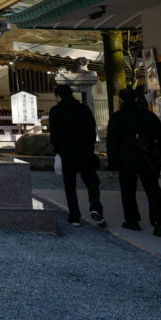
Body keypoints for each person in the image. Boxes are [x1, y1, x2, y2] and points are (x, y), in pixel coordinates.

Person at [106, 88, 161, 237]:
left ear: (120, 100)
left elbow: (112, 143)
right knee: (153, 191)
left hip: (125, 160)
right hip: (147, 159)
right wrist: (159, 157)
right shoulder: (148, 116)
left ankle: (132, 220)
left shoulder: (116, 118)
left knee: (128, 191)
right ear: (136, 99)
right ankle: (159, 223)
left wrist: (113, 164)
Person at [49, 84, 105, 227]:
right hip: (85, 151)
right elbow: (92, 130)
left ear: (58, 96)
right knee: (92, 182)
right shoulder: (84, 109)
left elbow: (54, 134)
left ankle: (74, 216)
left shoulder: (56, 110)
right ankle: (95, 207)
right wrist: (90, 146)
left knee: (70, 185)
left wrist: (58, 150)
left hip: (67, 152)